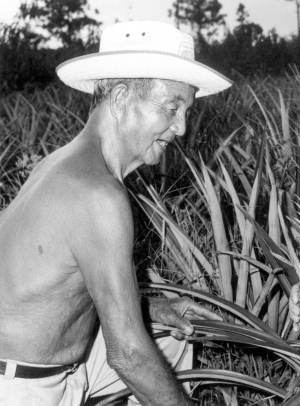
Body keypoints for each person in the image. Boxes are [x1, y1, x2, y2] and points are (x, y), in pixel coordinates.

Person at [0, 21, 232, 405]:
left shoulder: (63, 163)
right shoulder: (97, 193)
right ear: (122, 98)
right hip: (19, 384)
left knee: (168, 345)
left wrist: (153, 307)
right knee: (145, 359)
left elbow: (55, 287)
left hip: (58, 361)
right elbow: (127, 355)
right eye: (172, 107)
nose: (181, 127)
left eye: (187, 110)